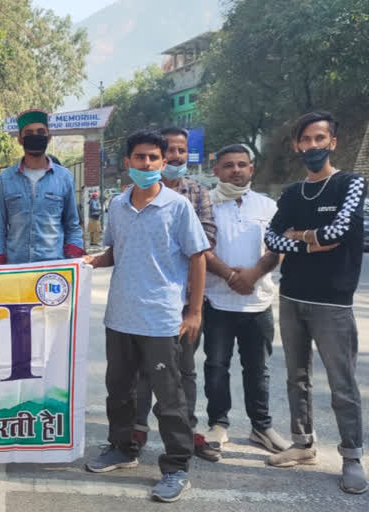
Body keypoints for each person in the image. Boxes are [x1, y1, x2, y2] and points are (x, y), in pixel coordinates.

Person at [85, 129, 209, 503]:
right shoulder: (118, 205)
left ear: (163, 162)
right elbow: (114, 252)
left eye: (154, 158)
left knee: (169, 399)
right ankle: (122, 449)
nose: (148, 164)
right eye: (140, 158)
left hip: (160, 319)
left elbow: (198, 256)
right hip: (120, 317)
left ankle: (175, 467)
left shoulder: (177, 206)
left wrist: (195, 310)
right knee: (119, 393)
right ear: (127, 162)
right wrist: (90, 262)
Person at [264, 111, 367, 494]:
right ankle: (303, 443)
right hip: (291, 297)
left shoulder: (351, 183)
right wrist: (314, 240)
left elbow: (339, 233)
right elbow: (272, 238)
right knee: (296, 377)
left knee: (342, 384)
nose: (311, 146)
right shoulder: (293, 193)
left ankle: (352, 457)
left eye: (319, 139)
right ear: (297, 145)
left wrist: (301, 235)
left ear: (332, 142)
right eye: (305, 140)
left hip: (332, 302)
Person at [132, 126, 218, 461]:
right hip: (143, 302)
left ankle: (187, 431)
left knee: (183, 373)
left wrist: (193, 310)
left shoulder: (195, 194)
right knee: (141, 372)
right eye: (169, 151)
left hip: (181, 303)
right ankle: (137, 429)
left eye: (181, 151)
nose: (174, 157)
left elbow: (204, 245)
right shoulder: (132, 196)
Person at [200, 144, 288, 460]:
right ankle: (218, 425)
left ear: (251, 169)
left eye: (241, 164)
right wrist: (229, 275)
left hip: (258, 302)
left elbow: (277, 248)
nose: (235, 170)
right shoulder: (205, 203)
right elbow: (199, 248)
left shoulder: (268, 206)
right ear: (217, 171)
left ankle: (261, 426)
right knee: (216, 366)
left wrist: (251, 276)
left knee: (258, 369)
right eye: (228, 165)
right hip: (217, 302)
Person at [0, 109, 84, 264]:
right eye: (28, 133)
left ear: (48, 137)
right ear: (20, 139)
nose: (35, 136)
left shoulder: (64, 177)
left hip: (53, 267)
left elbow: (72, 224)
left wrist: (74, 255)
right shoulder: (7, 178)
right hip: (16, 267)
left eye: (40, 132)